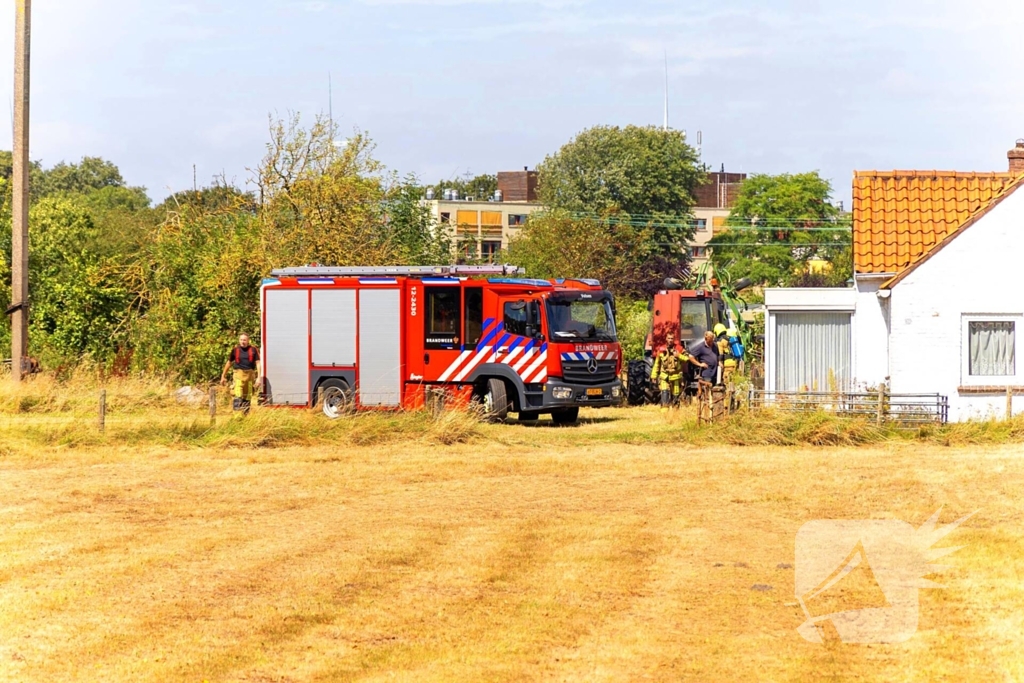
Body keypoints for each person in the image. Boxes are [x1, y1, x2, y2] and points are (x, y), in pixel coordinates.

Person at [220, 333, 261, 414]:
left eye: (244, 340)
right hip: (238, 375)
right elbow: (229, 363)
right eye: (241, 340)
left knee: (247, 397)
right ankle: (237, 417)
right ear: (239, 340)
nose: (243, 342)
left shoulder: (253, 349)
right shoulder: (235, 350)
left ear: (248, 341)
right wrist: (223, 376)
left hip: (250, 376)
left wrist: (259, 377)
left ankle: (245, 417)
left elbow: (258, 363)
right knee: (238, 395)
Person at [650, 331, 689, 410]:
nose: (670, 340)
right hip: (664, 376)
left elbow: (687, 359)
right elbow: (657, 364)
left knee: (676, 396)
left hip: (676, 377)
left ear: (674, 339)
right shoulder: (661, 349)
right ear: (666, 339)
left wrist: (679, 355)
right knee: (665, 393)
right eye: (669, 338)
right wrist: (654, 376)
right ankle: (665, 414)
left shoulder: (679, 348)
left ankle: (675, 414)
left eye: (672, 338)